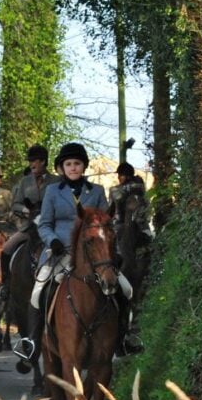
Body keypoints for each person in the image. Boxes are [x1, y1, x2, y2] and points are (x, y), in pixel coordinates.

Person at [12, 141, 108, 361]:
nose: (73, 167)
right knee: (37, 291)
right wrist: (52, 240)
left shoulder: (97, 191)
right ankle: (33, 343)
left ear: (84, 167)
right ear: (61, 168)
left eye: (77, 164)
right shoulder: (53, 191)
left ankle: (123, 338)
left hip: (93, 253)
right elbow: (44, 224)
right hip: (60, 250)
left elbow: (106, 223)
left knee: (123, 287)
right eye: (68, 164)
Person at [109, 161, 150, 355]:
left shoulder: (138, 189)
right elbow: (117, 199)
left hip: (139, 228)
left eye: (122, 175)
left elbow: (139, 199)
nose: (120, 178)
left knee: (148, 238)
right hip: (119, 229)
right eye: (120, 175)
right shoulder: (116, 191)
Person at [1, 144, 52, 259]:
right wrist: (25, 209)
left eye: (33, 161)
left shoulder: (56, 181)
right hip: (29, 227)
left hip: (51, 226)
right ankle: (6, 277)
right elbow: (15, 204)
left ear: (43, 161)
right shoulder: (25, 181)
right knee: (6, 248)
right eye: (30, 161)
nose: (31, 164)